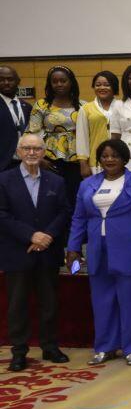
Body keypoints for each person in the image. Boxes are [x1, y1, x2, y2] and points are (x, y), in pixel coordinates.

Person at [66, 139, 131, 366]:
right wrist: (73, 247)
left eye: (114, 155)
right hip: (98, 251)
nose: (109, 160)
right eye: (104, 156)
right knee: (102, 301)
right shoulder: (87, 185)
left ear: (125, 159)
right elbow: (78, 218)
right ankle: (105, 347)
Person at [0, 134, 71, 371]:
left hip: (47, 251)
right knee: (17, 304)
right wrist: (31, 236)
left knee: (49, 302)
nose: (32, 153)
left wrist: (46, 237)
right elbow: (2, 215)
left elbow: (64, 212)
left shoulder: (56, 181)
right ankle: (19, 352)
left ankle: (50, 347)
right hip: (17, 251)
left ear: (43, 152)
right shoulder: (4, 180)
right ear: (18, 152)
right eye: (27, 148)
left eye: (37, 149)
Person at [27, 66, 85, 202]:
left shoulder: (83, 106)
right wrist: (38, 159)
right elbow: (31, 134)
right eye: (55, 81)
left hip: (76, 160)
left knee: (75, 197)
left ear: (71, 82)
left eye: (63, 81)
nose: (59, 84)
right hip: (48, 160)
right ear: (50, 84)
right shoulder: (41, 105)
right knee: (51, 199)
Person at [77, 71, 121, 178]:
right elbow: (81, 137)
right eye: (98, 85)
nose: (102, 88)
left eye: (107, 85)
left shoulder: (122, 106)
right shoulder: (86, 109)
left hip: (120, 159)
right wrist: (83, 163)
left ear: (114, 87)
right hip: (96, 162)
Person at [0, 65, 31, 172]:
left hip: (26, 164)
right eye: (2, 80)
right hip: (3, 165)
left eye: (10, 79)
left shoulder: (27, 107)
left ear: (18, 81)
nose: (6, 83)